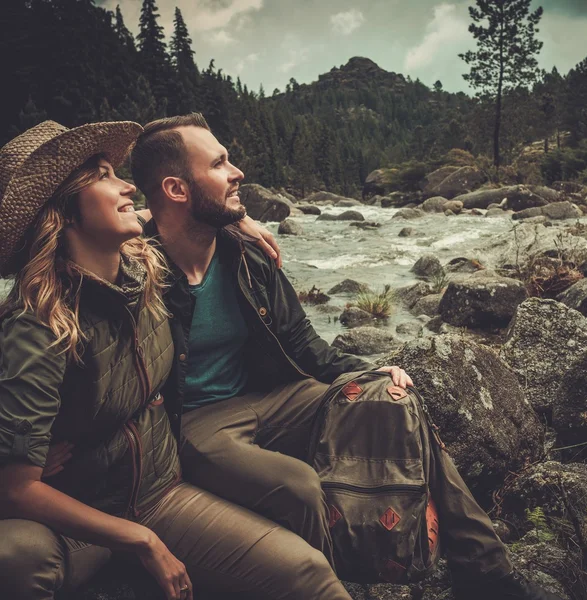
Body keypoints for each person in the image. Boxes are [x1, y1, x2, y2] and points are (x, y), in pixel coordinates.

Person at [128, 112, 562, 600]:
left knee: (395, 396)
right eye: (220, 163)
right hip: (194, 422)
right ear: (176, 189)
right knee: (299, 487)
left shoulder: (245, 254)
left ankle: (488, 570)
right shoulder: (134, 267)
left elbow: (303, 346)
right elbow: (73, 234)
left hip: (274, 397)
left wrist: (369, 372)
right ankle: (339, 585)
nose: (238, 173)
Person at [0, 120, 356, 600]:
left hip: (160, 493)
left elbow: (178, 207)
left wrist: (235, 219)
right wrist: (141, 539)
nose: (127, 184)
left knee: (309, 575)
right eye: (104, 176)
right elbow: (16, 486)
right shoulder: (38, 323)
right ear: (62, 213)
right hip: (85, 515)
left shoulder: (143, 270)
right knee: (16, 554)